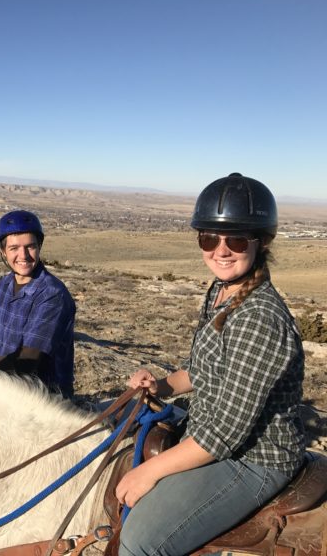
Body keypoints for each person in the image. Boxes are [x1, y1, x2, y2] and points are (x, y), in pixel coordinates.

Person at [117, 173, 306, 555]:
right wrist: (160, 387)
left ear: (261, 242)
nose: (221, 250)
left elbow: (225, 435)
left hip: (254, 459)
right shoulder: (222, 292)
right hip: (212, 435)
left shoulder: (260, 318)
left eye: (236, 239)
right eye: (209, 238)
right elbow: (203, 371)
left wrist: (148, 472)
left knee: (141, 540)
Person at [0, 210, 76, 398]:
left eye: (30, 247)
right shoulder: (5, 285)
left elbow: (28, 361)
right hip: (8, 385)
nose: (24, 255)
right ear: (3, 252)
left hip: (44, 398)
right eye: (14, 248)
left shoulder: (52, 295)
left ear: (39, 247)